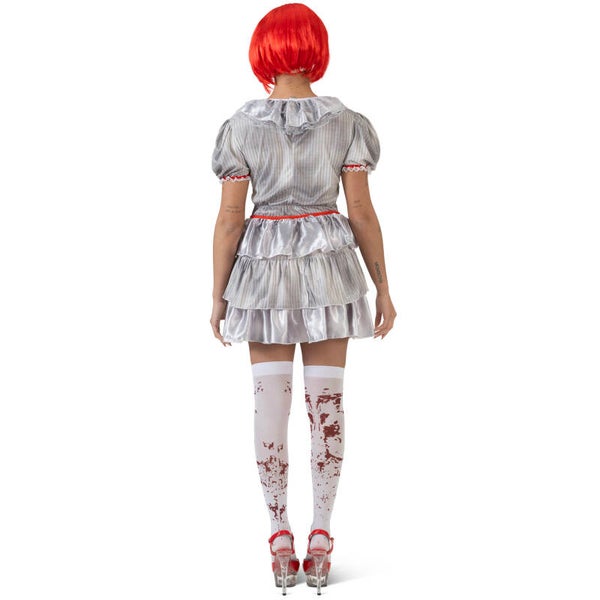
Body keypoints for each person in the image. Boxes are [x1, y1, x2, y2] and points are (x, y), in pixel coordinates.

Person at [210, 3, 397, 593]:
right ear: (317, 49)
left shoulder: (240, 126)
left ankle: (278, 537)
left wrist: (218, 295)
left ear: (263, 52)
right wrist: (383, 285)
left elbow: (229, 219)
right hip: (328, 270)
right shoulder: (347, 123)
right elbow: (360, 209)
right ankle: (321, 537)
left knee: (270, 406)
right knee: (327, 407)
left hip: (262, 276)